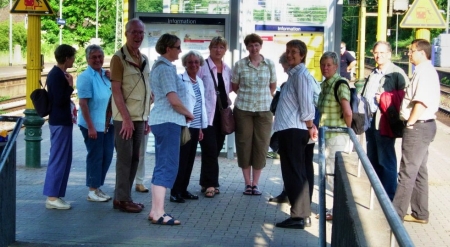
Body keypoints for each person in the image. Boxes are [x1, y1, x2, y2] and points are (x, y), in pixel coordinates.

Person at [148, 33, 194, 225]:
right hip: (168, 121)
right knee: (167, 165)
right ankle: (159, 212)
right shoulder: (165, 69)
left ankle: (155, 210)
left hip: (163, 121)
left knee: (162, 165)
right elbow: (173, 99)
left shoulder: (161, 67)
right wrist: (189, 114)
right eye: (177, 47)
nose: (180, 51)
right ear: (168, 48)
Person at [393, 39, 439, 224]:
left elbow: (420, 102)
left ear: (422, 52)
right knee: (419, 171)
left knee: (407, 171)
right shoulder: (424, 71)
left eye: (411, 51)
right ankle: (420, 213)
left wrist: (410, 122)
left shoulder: (424, 73)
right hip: (425, 125)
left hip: (418, 126)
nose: (408, 54)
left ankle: (395, 216)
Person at [273, 40, 318, 229]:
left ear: (302, 55)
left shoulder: (300, 75)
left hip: (294, 130)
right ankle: (302, 214)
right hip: (290, 130)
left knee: (294, 173)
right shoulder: (294, 75)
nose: (290, 55)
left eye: (294, 52)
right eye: (288, 51)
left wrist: (310, 126)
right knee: (298, 172)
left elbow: (306, 104)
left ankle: (298, 216)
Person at [110, 18, 151, 213]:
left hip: (140, 117)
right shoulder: (119, 58)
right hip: (124, 119)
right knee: (125, 158)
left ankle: (124, 197)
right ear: (126, 34)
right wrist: (126, 119)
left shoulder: (143, 59)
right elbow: (116, 91)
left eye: (141, 32)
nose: (138, 36)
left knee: (135, 157)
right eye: (134, 32)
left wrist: (146, 117)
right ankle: (122, 199)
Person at [362, 41, 409, 201]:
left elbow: (404, 99)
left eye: (382, 53)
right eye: (376, 52)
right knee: (373, 159)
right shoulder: (374, 73)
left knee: (386, 159)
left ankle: (389, 197)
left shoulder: (397, 73)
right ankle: (377, 195)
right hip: (370, 121)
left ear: (389, 54)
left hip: (385, 122)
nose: (378, 55)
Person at [232, 33, 276, 196]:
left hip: (264, 110)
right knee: (244, 144)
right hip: (244, 109)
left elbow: (272, 86)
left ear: (260, 46)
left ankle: (256, 183)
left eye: (256, 45)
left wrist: (261, 98)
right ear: (247, 47)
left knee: (261, 144)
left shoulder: (269, 64)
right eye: (250, 45)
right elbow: (235, 86)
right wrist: (249, 95)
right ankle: (247, 183)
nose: (254, 48)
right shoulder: (240, 64)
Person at [317, 51, 352, 221]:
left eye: (329, 65)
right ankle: (335, 208)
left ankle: (338, 209)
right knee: (328, 173)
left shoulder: (340, 84)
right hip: (327, 137)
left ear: (336, 66)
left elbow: (347, 112)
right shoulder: (325, 85)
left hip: (337, 135)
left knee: (333, 174)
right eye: (323, 65)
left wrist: (348, 132)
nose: (325, 68)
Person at [77, 44, 114, 202]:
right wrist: (91, 127)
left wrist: (111, 77)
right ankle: (92, 189)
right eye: (94, 57)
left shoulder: (105, 75)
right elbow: (83, 104)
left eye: (100, 56)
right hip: (92, 124)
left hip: (107, 123)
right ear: (87, 59)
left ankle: (97, 186)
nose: (97, 60)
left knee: (107, 156)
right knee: (96, 156)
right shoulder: (86, 77)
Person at [197, 36, 233, 198]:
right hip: (207, 115)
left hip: (222, 116)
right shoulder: (202, 67)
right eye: (215, 47)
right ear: (210, 49)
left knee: (215, 149)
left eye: (221, 47)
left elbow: (229, 89)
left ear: (225, 50)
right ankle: (212, 184)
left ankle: (205, 181)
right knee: (210, 149)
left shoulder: (227, 69)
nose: (218, 50)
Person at [170, 50, 208, 203]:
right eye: (190, 62)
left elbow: (200, 104)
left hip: (195, 125)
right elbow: (176, 102)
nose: (193, 65)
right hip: (184, 125)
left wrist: (199, 128)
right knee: (181, 159)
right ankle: (175, 191)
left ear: (200, 64)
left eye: (196, 62)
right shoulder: (180, 80)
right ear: (185, 63)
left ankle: (183, 189)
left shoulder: (199, 81)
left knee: (190, 159)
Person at [43, 44, 76, 210]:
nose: (74, 60)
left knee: (64, 158)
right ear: (66, 58)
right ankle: (52, 196)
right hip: (59, 121)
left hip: (63, 121)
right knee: (58, 158)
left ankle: (57, 194)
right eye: (72, 57)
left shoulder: (59, 74)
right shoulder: (56, 75)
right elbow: (60, 100)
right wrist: (70, 86)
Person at [134, 122, 150, 193]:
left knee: (141, 153)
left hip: (143, 119)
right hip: (123, 120)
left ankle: (139, 182)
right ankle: (121, 183)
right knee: (124, 155)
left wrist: (148, 121)